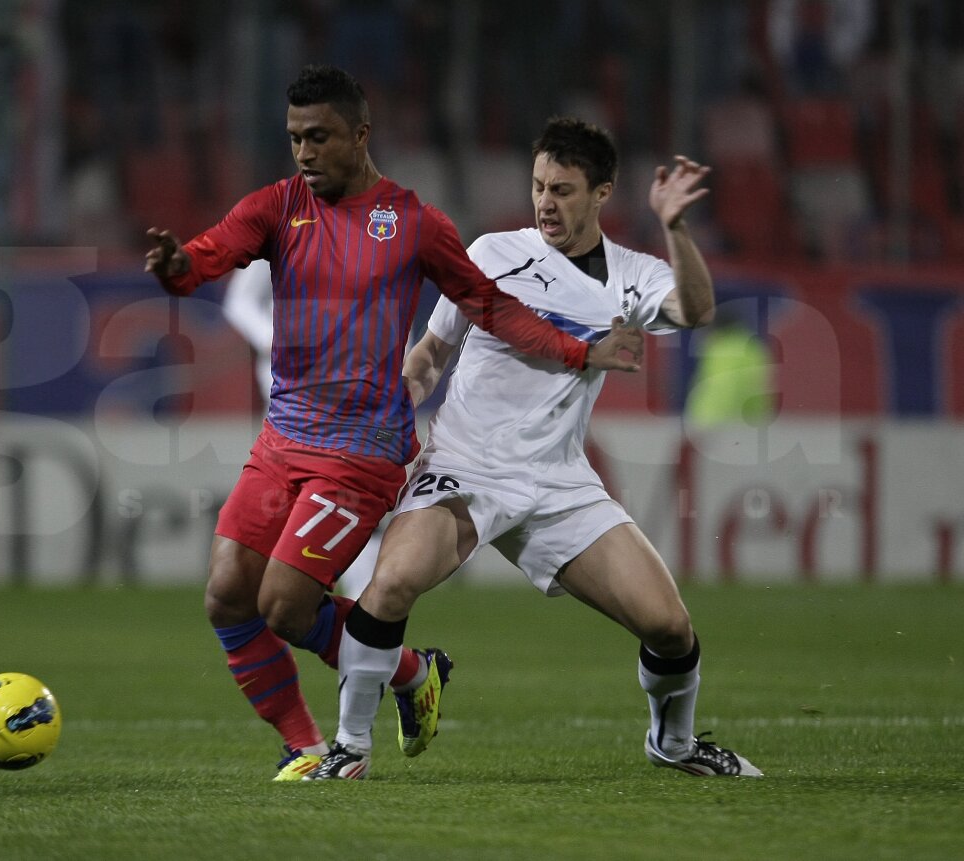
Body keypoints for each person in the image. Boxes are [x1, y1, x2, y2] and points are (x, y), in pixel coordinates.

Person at [145, 68, 641, 780]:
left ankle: (386, 692)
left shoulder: (412, 223)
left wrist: (576, 350)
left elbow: (489, 306)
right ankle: (342, 720)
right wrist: (176, 269)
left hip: (362, 452)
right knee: (226, 592)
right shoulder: (278, 207)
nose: (304, 153)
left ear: (360, 135)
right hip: (282, 440)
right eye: (294, 139)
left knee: (284, 605)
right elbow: (212, 251)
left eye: (319, 137)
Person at [306, 117, 762, 780]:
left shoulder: (633, 276)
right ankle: (350, 746)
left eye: (564, 189)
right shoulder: (493, 253)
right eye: (539, 185)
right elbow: (432, 354)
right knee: (393, 581)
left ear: (602, 192)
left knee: (669, 626)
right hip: (465, 466)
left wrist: (677, 227)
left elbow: (694, 311)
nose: (546, 201)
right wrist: (394, 409)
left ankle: (674, 741)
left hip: (558, 481)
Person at [221, 257, 380, 600]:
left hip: (352, 401)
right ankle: (288, 605)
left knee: (349, 507)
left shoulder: (375, 229)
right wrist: (274, 340)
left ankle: (360, 614)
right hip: (287, 408)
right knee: (278, 515)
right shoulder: (279, 225)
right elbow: (239, 301)